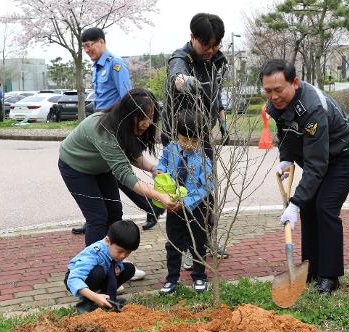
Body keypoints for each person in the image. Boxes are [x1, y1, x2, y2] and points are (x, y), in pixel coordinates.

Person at [260, 59, 349, 294]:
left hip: (345, 154)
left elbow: (317, 165)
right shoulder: (273, 105)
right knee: (308, 206)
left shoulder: (312, 108)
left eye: (278, 90)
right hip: (320, 155)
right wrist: (286, 157)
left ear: (294, 82)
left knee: (325, 207)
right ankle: (311, 268)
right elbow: (284, 132)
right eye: (268, 91)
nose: (273, 96)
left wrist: (294, 203)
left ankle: (329, 276)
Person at [59, 89, 178, 276]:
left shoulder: (124, 126)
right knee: (97, 218)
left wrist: (153, 169)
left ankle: (116, 262)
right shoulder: (104, 130)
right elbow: (125, 175)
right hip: (75, 168)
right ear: (129, 114)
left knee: (114, 213)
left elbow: (131, 154)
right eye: (143, 117)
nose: (148, 122)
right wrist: (159, 196)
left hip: (100, 168)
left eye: (152, 116)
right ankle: (94, 271)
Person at [71, 27, 164, 235]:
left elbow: (127, 99)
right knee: (113, 176)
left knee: (119, 173)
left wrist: (131, 126)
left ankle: (150, 208)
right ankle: (97, 216)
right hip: (102, 128)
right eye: (84, 46)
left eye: (90, 45)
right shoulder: (97, 66)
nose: (87, 50)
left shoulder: (116, 64)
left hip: (118, 128)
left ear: (102, 42)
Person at [162, 13, 230, 265]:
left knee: (206, 190)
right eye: (206, 45)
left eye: (216, 45)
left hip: (203, 136)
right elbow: (176, 75)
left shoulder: (217, 61)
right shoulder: (181, 57)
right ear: (192, 38)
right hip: (178, 137)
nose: (211, 50)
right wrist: (183, 81)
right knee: (184, 192)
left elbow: (216, 94)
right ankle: (187, 246)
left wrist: (221, 120)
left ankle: (206, 240)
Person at [157, 110, 213, 295]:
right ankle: (172, 278)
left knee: (198, 243)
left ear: (202, 136)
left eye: (194, 141)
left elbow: (206, 186)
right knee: (173, 243)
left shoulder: (204, 159)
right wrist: (159, 170)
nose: (189, 145)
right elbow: (163, 162)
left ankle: (199, 276)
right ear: (177, 135)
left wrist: (187, 201)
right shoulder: (171, 149)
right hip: (174, 206)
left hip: (196, 208)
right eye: (184, 140)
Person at [64, 220, 140, 313]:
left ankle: (109, 299)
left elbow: (117, 261)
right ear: (108, 241)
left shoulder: (115, 251)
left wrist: (118, 267)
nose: (123, 256)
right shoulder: (94, 253)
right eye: (120, 251)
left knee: (129, 268)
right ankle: (87, 303)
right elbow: (73, 279)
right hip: (76, 278)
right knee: (98, 272)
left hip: (104, 273)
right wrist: (95, 297)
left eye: (128, 252)